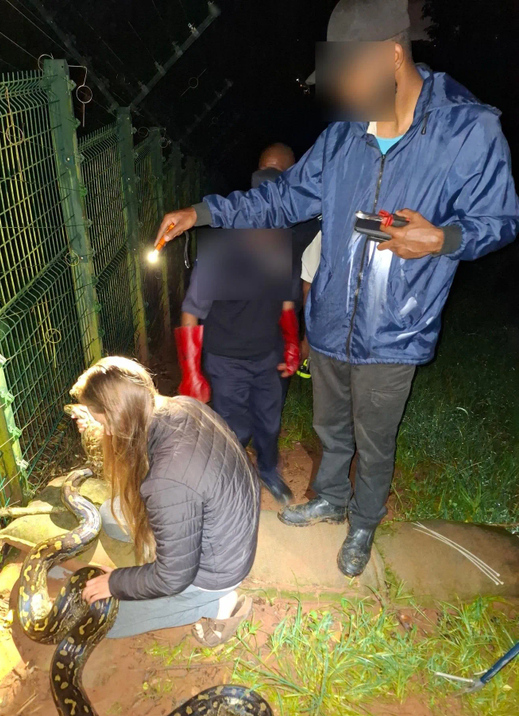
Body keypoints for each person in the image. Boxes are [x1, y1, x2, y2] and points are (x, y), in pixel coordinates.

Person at [154, 0, 519, 578]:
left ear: (391, 55)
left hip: (395, 325)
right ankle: (330, 495)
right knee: (330, 426)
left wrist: (443, 239)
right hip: (329, 318)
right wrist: (202, 212)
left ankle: (365, 522)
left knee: (375, 438)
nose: (342, 91)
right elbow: (281, 196)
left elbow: (500, 219)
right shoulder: (344, 137)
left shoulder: (467, 130)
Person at [71, 356, 258, 646]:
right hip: (227, 524)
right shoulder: (180, 405)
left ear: (121, 415)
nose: (105, 432)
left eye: (104, 422)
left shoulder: (167, 481)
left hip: (217, 569)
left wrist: (116, 582)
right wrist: (98, 422)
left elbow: (172, 577)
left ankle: (218, 604)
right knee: (110, 514)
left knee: (100, 618)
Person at [175, 143, 302, 505]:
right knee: (232, 426)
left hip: (267, 355)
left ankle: (267, 471)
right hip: (226, 357)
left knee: (268, 422)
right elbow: (191, 309)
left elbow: (288, 301)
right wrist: (191, 371)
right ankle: (227, 486)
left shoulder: (283, 245)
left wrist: (292, 343)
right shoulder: (224, 249)